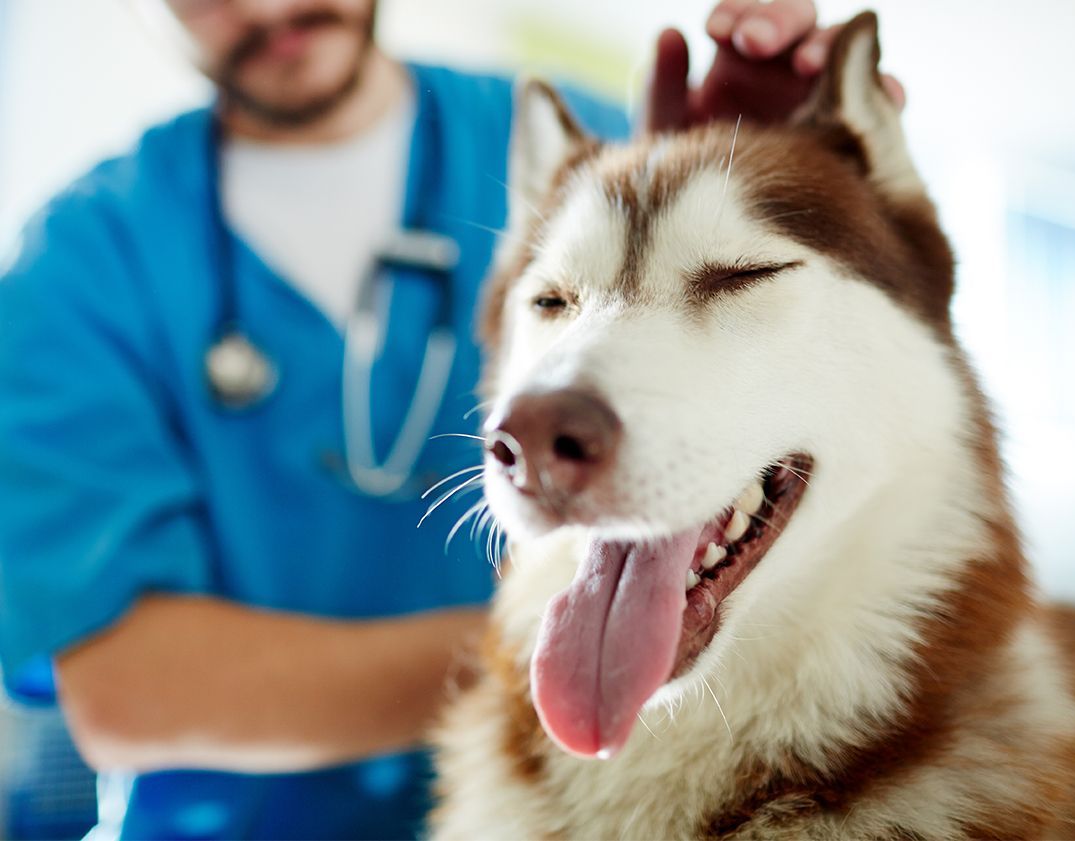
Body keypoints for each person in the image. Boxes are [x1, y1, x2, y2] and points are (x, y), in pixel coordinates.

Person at [0, 0, 900, 837]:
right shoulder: (81, 263)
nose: (269, 8)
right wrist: (587, 648)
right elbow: (130, 691)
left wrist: (791, 171)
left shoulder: (598, 144)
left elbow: (857, 391)